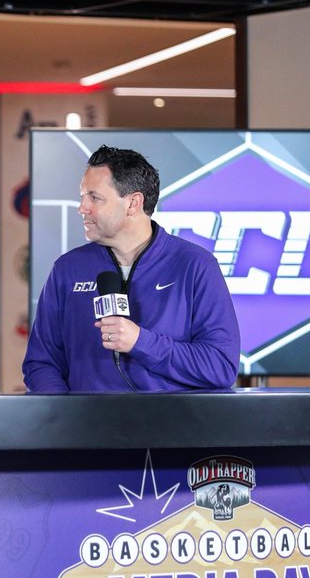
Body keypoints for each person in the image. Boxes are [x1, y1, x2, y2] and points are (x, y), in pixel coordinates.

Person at [23, 145, 239, 393]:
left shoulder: (195, 265)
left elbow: (220, 367)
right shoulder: (67, 269)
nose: (82, 207)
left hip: (174, 418)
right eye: (83, 196)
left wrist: (140, 341)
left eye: (94, 197)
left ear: (133, 203)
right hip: (86, 419)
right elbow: (41, 363)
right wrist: (61, 412)